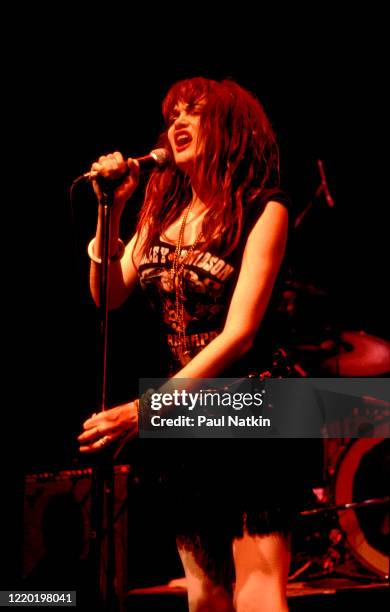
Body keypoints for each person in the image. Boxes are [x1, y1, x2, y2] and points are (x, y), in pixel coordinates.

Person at [77, 77, 299, 611]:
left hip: (254, 404)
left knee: (258, 591)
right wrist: (111, 213)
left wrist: (142, 410)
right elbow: (107, 295)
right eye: (172, 113)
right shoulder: (160, 210)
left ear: (230, 128)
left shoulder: (263, 210)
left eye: (193, 111)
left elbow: (240, 334)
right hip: (185, 412)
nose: (177, 122)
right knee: (204, 596)